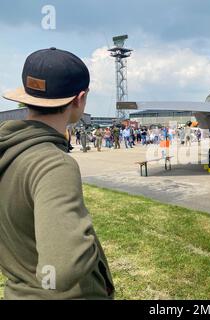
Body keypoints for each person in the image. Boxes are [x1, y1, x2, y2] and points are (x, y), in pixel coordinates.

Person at [0, 48, 114, 299]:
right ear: (79, 98)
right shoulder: (53, 164)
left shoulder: (8, 149)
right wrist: (82, 237)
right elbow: (63, 269)